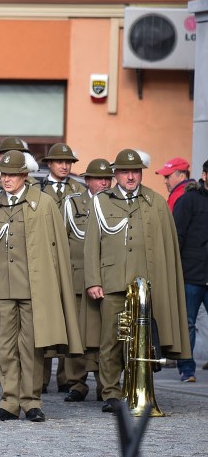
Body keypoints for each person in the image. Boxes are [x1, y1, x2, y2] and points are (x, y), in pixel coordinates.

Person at [0, 150, 83, 422]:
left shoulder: (43, 203)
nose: (6, 179)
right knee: (6, 347)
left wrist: (53, 287)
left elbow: (56, 249)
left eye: (12, 174)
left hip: (34, 286)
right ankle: (9, 402)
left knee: (31, 347)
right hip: (1, 286)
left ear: (24, 175)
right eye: (3, 174)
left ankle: (32, 401)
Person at [84, 148, 190, 412]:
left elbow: (166, 245)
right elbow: (91, 245)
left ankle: (137, 388)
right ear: (116, 174)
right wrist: (93, 281)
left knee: (141, 340)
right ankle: (110, 392)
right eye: (124, 172)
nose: (130, 177)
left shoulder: (155, 201)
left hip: (146, 284)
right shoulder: (101, 201)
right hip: (112, 282)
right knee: (110, 341)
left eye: (135, 172)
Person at [62, 159, 113, 402]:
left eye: (107, 178)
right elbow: (62, 240)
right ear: (87, 180)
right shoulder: (73, 203)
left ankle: (106, 385)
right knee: (77, 334)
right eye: (99, 178)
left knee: (105, 334)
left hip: (105, 278)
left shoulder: (114, 203)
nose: (104, 182)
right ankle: (76, 384)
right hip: (77, 277)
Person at [37, 143, 85, 394]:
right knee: (42, 319)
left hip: (71, 265)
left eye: (69, 162)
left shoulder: (80, 190)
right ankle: (40, 379)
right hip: (43, 262)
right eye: (60, 162)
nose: (65, 166)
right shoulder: (36, 189)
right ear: (49, 164)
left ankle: (67, 378)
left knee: (70, 319)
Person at [171, 159, 208, 382]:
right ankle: (187, 369)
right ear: (204, 175)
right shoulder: (188, 201)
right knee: (188, 323)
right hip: (191, 274)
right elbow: (177, 237)